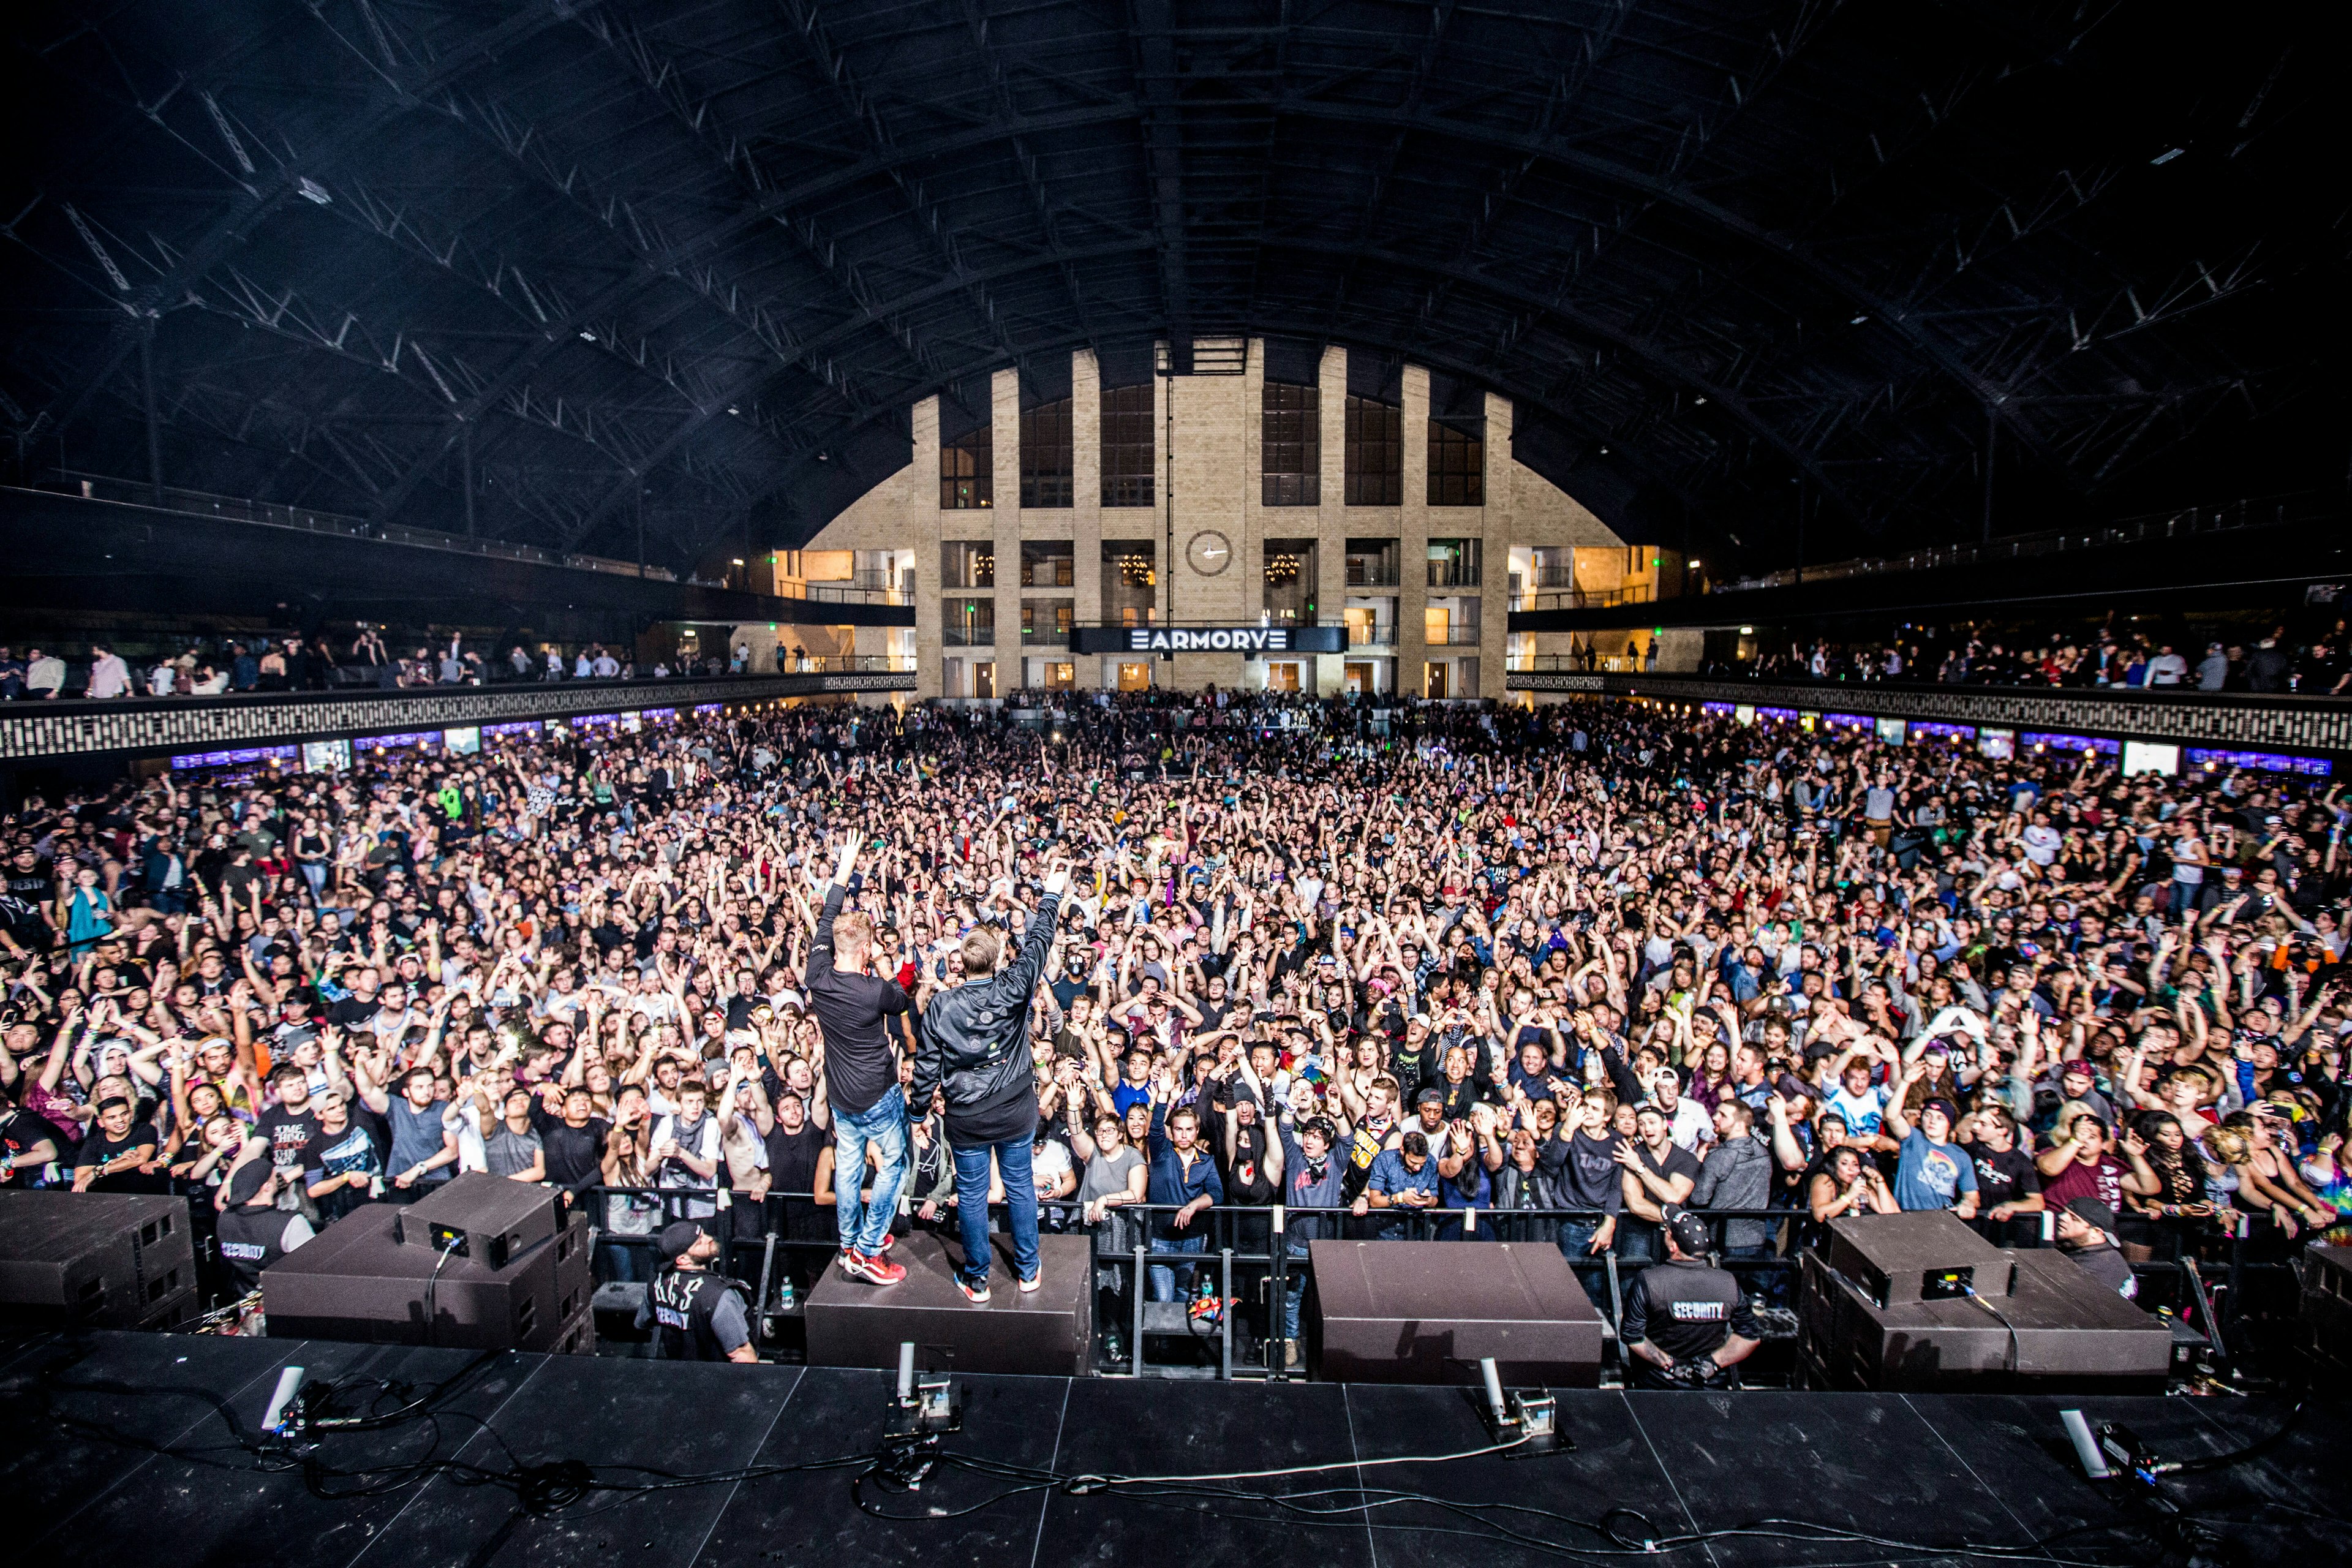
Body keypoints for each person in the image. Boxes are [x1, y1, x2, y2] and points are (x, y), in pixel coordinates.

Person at [909, 853, 1071, 1302]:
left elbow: (926, 1066)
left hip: (968, 1116)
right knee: (1019, 1186)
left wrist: (918, 1110)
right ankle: (1028, 1270)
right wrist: (1052, 893)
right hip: (1015, 1107)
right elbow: (1039, 940)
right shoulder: (1014, 985)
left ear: (960, 963)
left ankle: (978, 1278)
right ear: (999, 957)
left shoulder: (941, 1006)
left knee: (974, 1193)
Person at [805, 835, 914, 1286]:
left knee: (849, 1165)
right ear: (867, 949)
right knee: (896, 1164)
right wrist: (888, 970)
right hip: (877, 1093)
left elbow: (827, 920)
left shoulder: (816, 976)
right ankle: (869, 1251)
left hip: (841, 1096)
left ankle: (850, 1243)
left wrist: (842, 871)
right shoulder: (875, 991)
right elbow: (903, 998)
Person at [1618, 1207, 1763, 1389]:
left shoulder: (1650, 1281)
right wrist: (1713, 1363)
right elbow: (1750, 1337)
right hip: (1710, 1385)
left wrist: (1670, 1364)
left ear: (1674, 1246)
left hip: (1658, 1386)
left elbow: (1633, 1337)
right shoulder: (1728, 1282)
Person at [639, 1219, 758, 1362]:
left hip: (681, 1373)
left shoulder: (656, 1284)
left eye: (703, 1234)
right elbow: (741, 1354)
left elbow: (642, 1322)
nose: (709, 1239)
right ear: (683, 1260)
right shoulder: (719, 1295)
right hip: (719, 1378)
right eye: (700, 1242)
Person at [214, 1158, 314, 1293]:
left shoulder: (224, 1218)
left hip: (248, 1305)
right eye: (275, 1177)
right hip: (285, 1302)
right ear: (267, 1187)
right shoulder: (291, 1223)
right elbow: (315, 1268)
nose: (279, 1179)